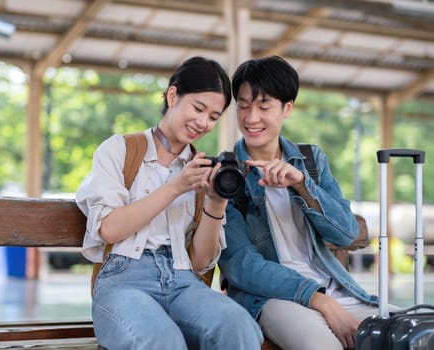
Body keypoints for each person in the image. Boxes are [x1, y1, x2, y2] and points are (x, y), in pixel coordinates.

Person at [76, 56, 263, 350]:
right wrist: (176, 186)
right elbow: (108, 229)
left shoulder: (203, 170)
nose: (203, 123)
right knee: (162, 341)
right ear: (173, 95)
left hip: (183, 280)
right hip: (124, 280)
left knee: (239, 327)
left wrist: (215, 203)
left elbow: (201, 262)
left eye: (214, 117)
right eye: (198, 108)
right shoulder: (120, 149)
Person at [218, 55, 385, 350]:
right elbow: (241, 266)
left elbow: (346, 234)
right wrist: (320, 300)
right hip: (271, 299)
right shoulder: (226, 174)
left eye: (263, 105)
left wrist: (302, 185)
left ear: (287, 108)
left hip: (339, 289)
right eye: (243, 105)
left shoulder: (311, 161)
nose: (251, 117)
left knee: (414, 334)